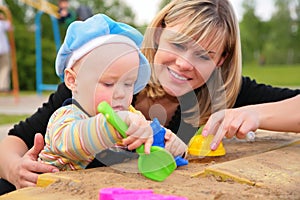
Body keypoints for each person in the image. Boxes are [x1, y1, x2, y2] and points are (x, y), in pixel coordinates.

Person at [0, 0, 299, 194]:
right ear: (158, 34)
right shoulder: (105, 77)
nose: (184, 63)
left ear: (220, 61)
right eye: (178, 45)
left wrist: (256, 115)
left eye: (203, 56)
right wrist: (14, 167)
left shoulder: (221, 92)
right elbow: (17, 138)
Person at [38, 13, 186, 171]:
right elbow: (71, 144)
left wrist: (172, 146)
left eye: (129, 84)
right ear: (73, 81)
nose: (120, 93)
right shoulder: (65, 118)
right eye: (108, 83)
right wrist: (112, 125)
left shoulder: (132, 117)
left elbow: (151, 143)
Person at [0, 12, 11, 92]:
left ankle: (3, 86)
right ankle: (3, 86)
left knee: (4, 67)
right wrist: (4, 18)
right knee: (5, 67)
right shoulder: (2, 24)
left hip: (3, 49)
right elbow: (10, 27)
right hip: (3, 49)